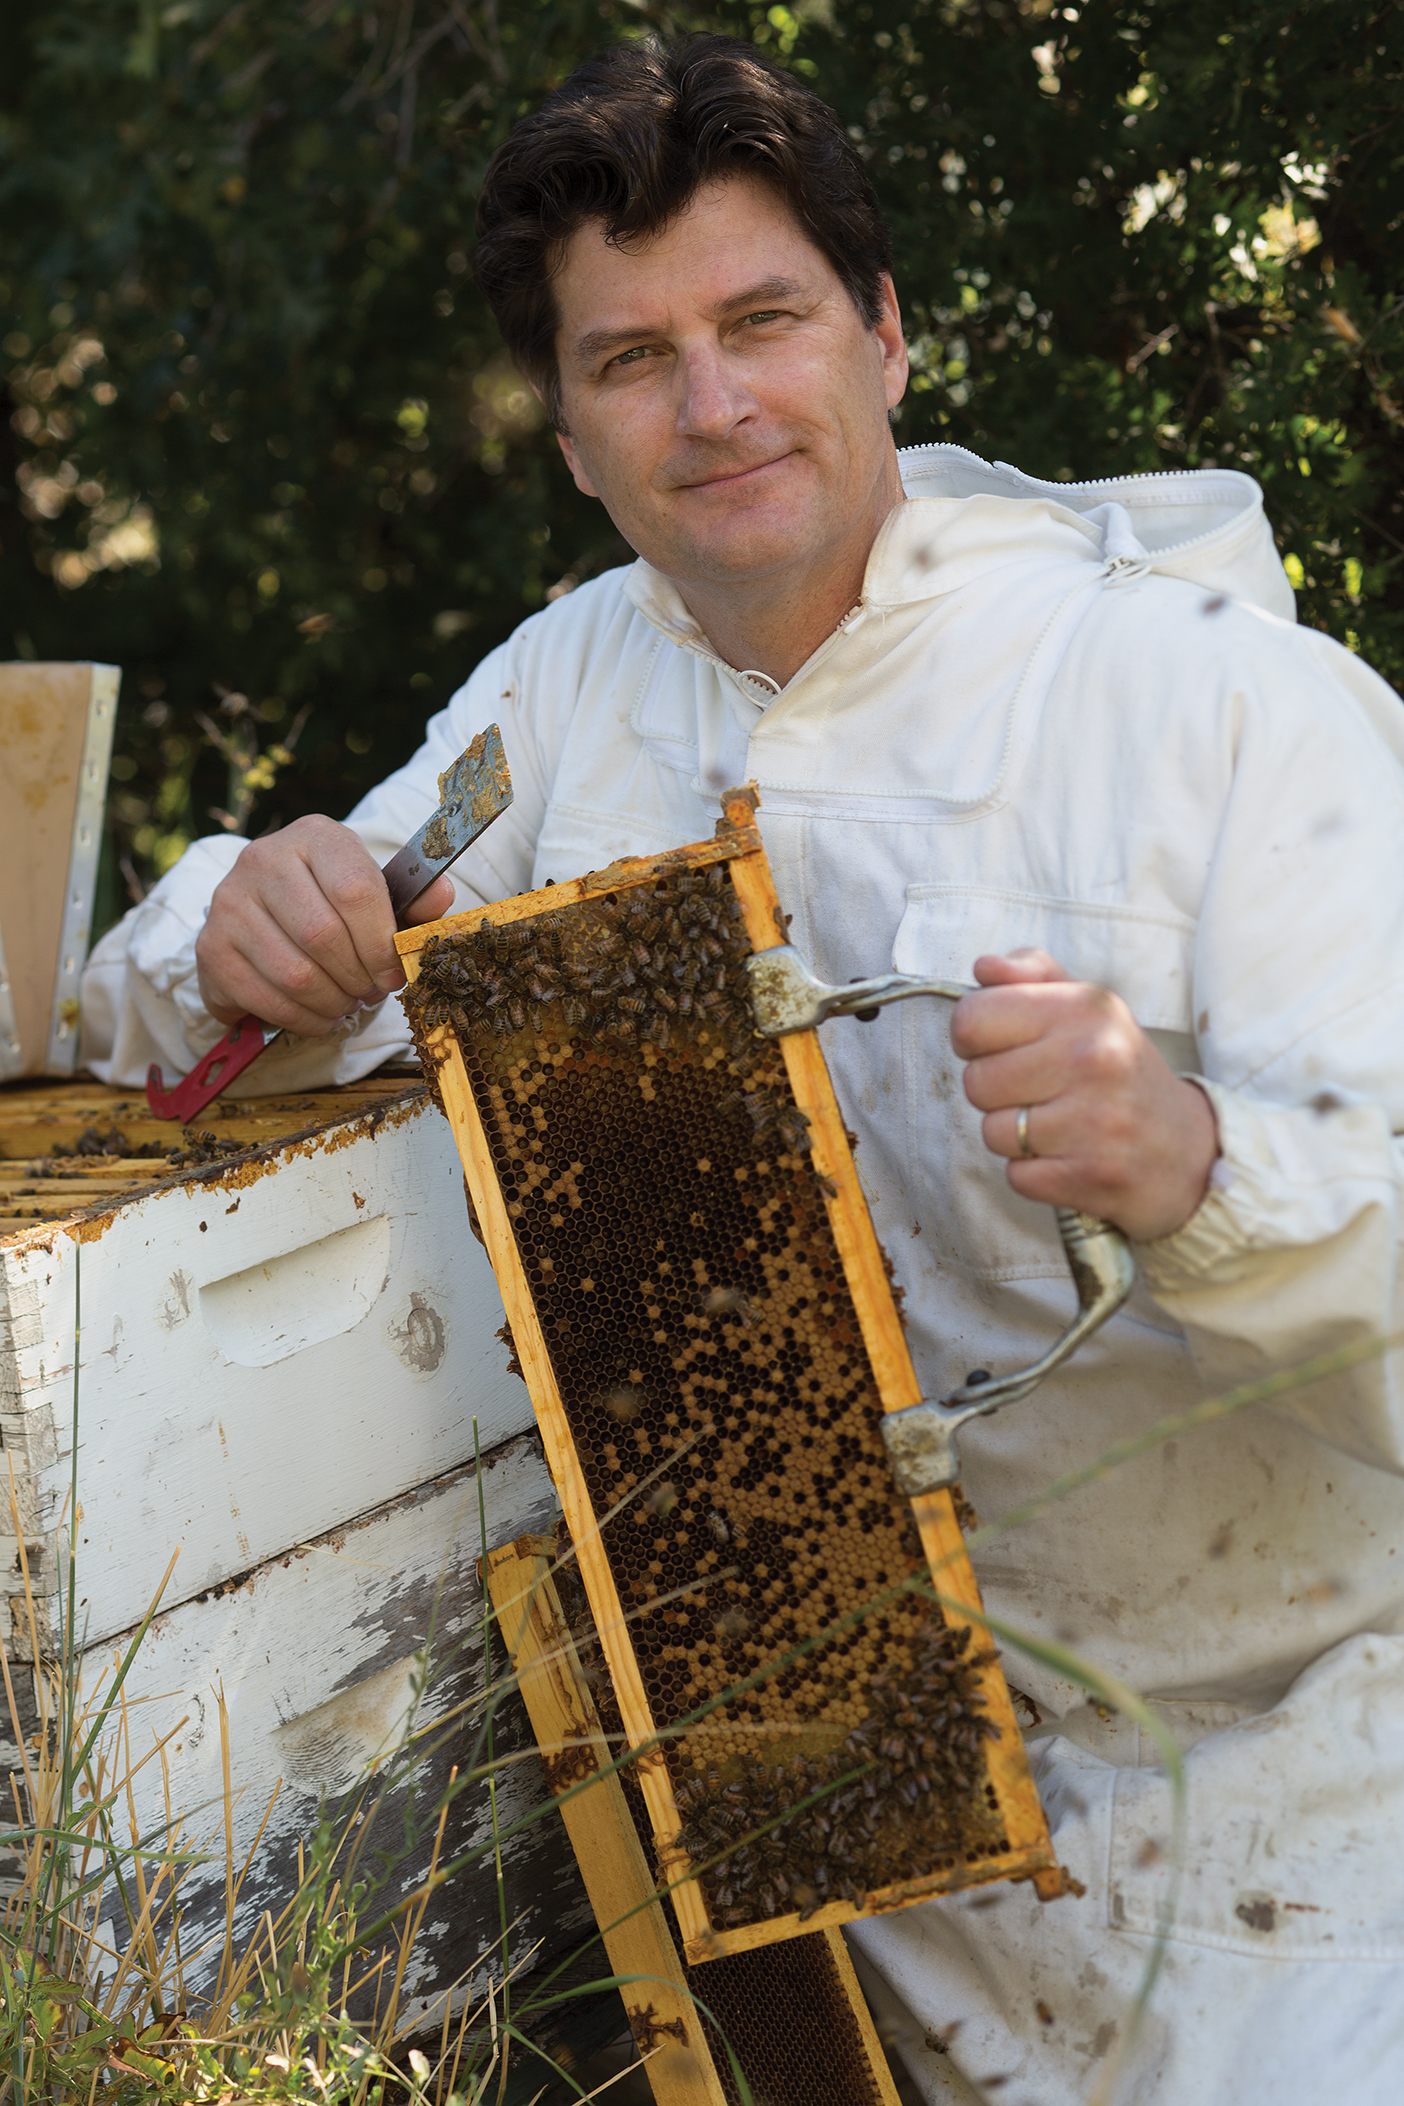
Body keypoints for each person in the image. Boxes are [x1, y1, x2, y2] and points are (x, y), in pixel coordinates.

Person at [83, 35, 1404, 2105]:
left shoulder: (1234, 711)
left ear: (883, 338)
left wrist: (1199, 1162)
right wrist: (235, 909)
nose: (713, 406)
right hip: (833, 1801)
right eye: (631, 362)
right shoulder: (565, 693)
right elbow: (192, 1007)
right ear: (575, 441)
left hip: (1290, 1793)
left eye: (763, 322)